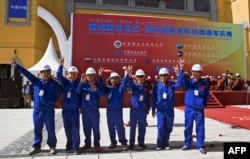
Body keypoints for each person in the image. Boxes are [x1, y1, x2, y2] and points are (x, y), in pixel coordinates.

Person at [10, 58, 61, 155]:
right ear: (41, 73)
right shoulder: (37, 81)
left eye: (47, 72)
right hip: (37, 111)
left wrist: (51, 103)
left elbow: (57, 96)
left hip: (48, 111)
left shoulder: (54, 84)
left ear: (50, 73)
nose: (45, 74)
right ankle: (36, 146)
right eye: (43, 72)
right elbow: (27, 73)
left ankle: (52, 146)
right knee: (37, 128)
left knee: (50, 128)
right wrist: (17, 66)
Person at [152, 59, 185, 150]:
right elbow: (154, 98)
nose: (163, 77)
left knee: (168, 127)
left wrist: (181, 71)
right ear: (159, 76)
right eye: (161, 75)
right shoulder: (157, 86)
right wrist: (153, 109)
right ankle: (159, 143)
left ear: (168, 76)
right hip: (160, 110)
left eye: (165, 75)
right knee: (161, 126)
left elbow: (180, 84)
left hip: (169, 110)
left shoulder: (172, 85)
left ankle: (166, 143)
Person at [181, 64, 210, 154]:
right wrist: (181, 69)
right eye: (194, 72)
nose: (196, 73)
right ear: (192, 73)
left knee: (200, 128)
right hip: (189, 109)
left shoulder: (204, 84)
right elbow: (182, 81)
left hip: (199, 110)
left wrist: (203, 104)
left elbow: (207, 95)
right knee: (188, 127)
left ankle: (200, 145)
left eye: (197, 72)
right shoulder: (189, 82)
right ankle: (187, 143)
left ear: (201, 73)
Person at [100, 67, 130, 151]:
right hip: (109, 111)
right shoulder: (108, 88)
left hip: (117, 111)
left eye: (116, 79)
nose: (114, 80)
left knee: (119, 127)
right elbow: (101, 86)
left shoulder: (120, 88)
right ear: (110, 80)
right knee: (110, 127)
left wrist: (126, 73)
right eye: (112, 79)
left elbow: (124, 82)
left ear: (118, 80)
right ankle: (113, 142)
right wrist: (100, 76)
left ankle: (123, 142)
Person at [56, 57, 81, 155]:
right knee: (67, 128)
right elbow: (58, 75)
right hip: (65, 110)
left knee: (75, 128)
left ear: (77, 75)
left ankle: (76, 147)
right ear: (68, 74)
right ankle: (69, 143)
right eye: (71, 73)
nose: (72, 75)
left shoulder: (80, 83)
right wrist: (61, 65)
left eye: (74, 74)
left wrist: (81, 107)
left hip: (74, 110)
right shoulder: (66, 83)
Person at [77, 67, 105, 152]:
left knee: (96, 128)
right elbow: (78, 92)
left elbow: (103, 94)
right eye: (88, 75)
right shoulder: (83, 84)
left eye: (91, 75)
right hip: (85, 111)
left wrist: (96, 90)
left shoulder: (98, 84)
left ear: (94, 76)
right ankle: (87, 144)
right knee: (86, 128)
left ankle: (97, 144)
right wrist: (81, 83)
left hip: (94, 111)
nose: (89, 77)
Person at [126, 68, 151, 150]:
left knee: (142, 127)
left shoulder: (147, 87)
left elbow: (147, 98)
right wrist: (129, 75)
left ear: (144, 77)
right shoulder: (134, 86)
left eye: (141, 76)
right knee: (132, 127)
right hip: (134, 110)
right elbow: (129, 84)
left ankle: (141, 142)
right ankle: (131, 143)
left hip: (143, 110)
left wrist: (148, 108)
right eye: (138, 76)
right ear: (136, 78)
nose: (140, 78)